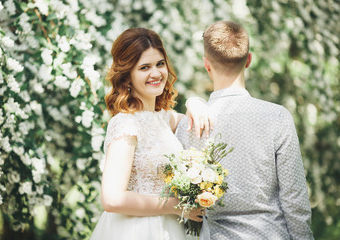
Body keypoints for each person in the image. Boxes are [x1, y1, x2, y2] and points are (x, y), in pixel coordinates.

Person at [176, 21, 314, 239]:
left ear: (206, 64)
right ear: (248, 60)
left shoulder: (188, 127)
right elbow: (294, 199)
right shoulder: (277, 117)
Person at [90, 27, 208, 240]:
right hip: (136, 231)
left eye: (160, 64)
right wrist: (175, 205)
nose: (156, 73)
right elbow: (112, 199)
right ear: (127, 76)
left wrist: (195, 102)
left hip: (170, 229)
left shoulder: (164, 119)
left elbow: (186, 119)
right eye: (144, 67)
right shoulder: (125, 123)